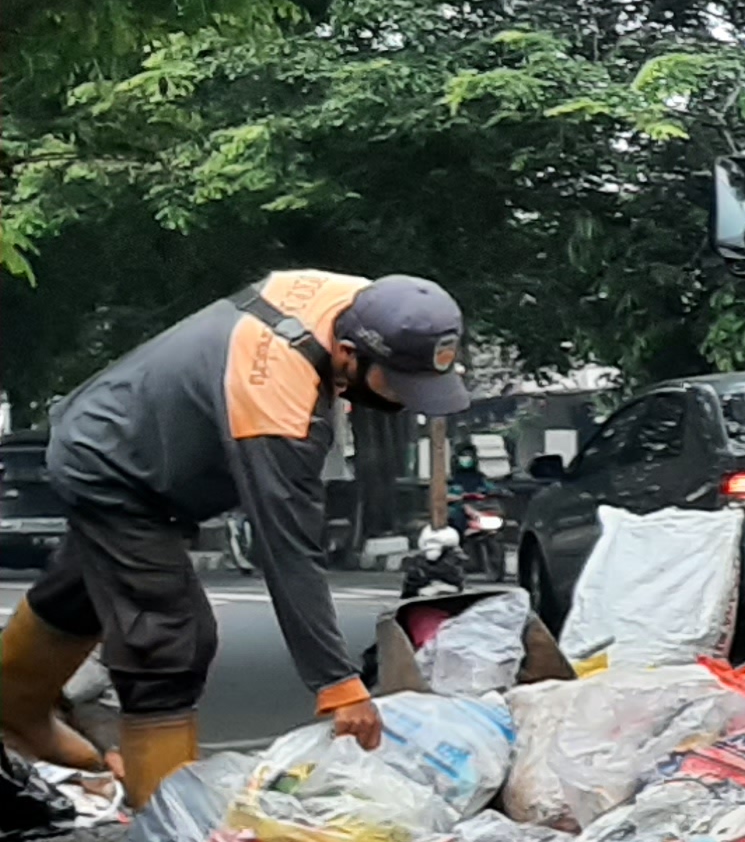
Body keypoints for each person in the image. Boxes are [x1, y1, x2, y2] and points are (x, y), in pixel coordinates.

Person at [0, 274, 470, 804]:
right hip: (114, 467)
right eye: (396, 387)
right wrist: (338, 684)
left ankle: (13, 704)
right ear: (345, 352)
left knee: (84, 589)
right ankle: (164, 831)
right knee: (168, 636)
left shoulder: (371, 306)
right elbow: (288, 548)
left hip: (133, 440)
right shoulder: (275, 395)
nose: (406, 403)